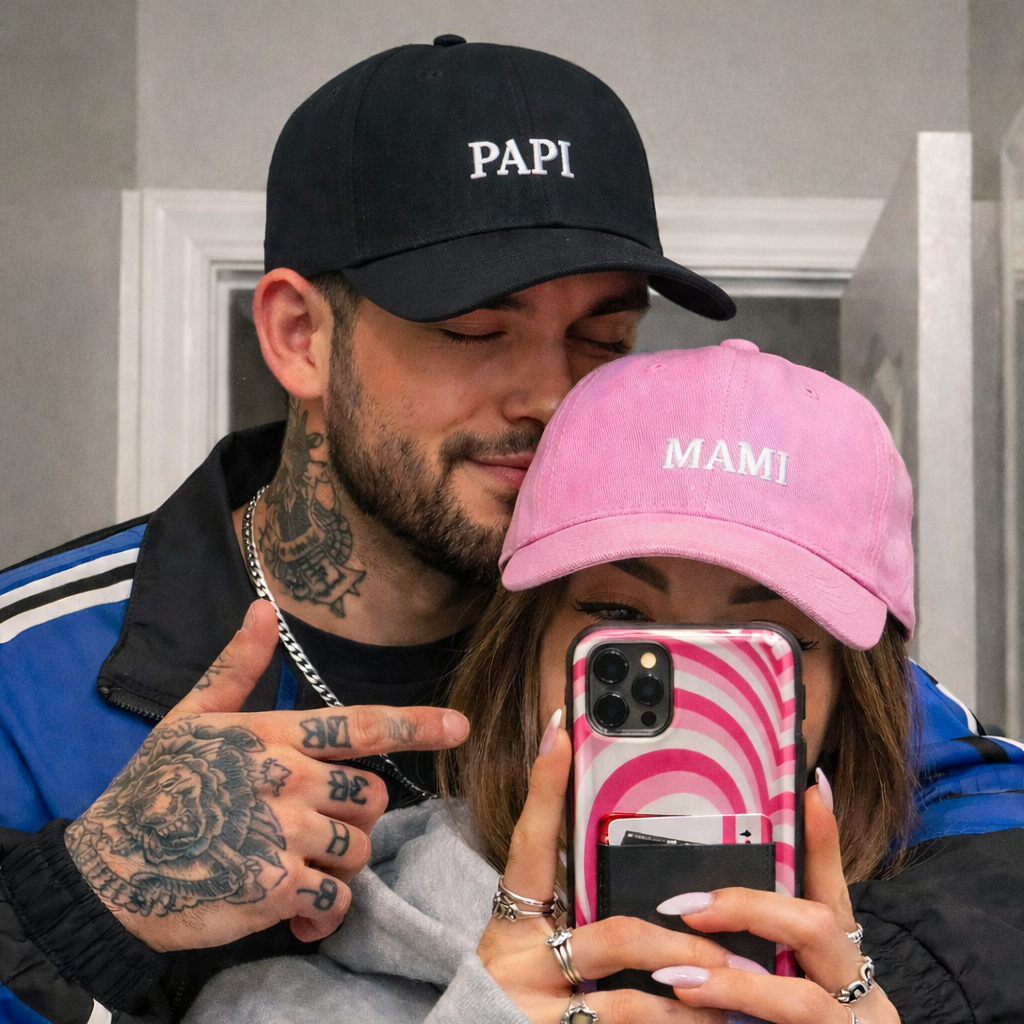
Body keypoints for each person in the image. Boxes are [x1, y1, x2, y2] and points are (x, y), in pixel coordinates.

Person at [0, 36, 736, 1024]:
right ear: (301, 336)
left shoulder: (681, 613)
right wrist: (89, 897)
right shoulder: (25, 671)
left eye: (602, 338)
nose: (552, 394)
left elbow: (994, 818)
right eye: (478, 330)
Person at [185, 342, 1024, 1024]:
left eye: (762, 644)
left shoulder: (946, 972)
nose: (696, 707)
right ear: (522, 651)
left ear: (850, 696)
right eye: (618, 620)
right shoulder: (281, 1003)